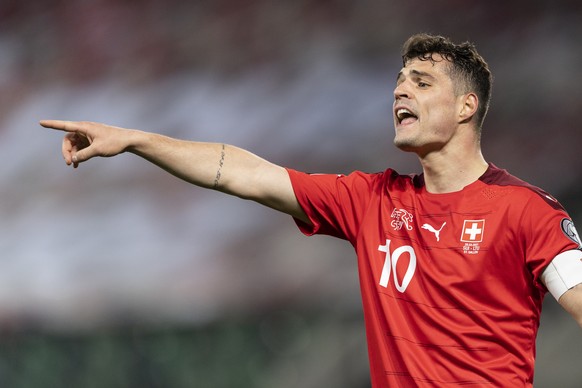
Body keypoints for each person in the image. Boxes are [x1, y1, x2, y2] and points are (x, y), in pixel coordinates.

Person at [41, 33, 582, 387]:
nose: (400, 92)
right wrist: (136, 139)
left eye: (421, 83)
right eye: (398, 81)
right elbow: (243, 172)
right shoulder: (371, 199)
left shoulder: (526, 211)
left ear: (467, 107)